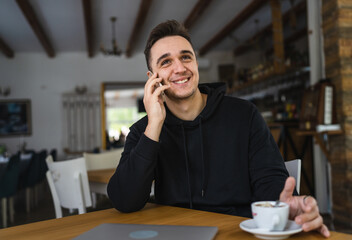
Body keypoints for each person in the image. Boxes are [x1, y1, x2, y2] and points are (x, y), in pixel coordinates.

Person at [107, 20, 330, 238]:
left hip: (239, 232)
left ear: (195, 63)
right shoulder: (145, 130)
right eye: (166, 62)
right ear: (152, 79)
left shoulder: (245, 115)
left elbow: (271, 185)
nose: (179, 68)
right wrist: (154, 125)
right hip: (175, 232)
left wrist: (287, 208)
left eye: (186, 57)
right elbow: (125, 200)